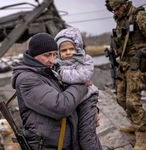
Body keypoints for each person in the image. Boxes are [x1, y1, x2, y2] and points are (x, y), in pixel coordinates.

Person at [12, 32, 89, 149]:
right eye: (47, 55)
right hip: (48, 146)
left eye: (54, 55)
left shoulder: (47, 71)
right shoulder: (27, 79)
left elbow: (69, 95)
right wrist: (82, 83)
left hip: (62, 142)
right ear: (34, 55)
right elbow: (61, 105)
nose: (52, 60)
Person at [105, 0, 146, 149]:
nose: (115, 13)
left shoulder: (140, 16)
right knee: (121, 98)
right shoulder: (121, 21)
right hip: (125, 66)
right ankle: (137, 124)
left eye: (116, 9)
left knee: (132, 102)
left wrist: (142, 55)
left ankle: (143, 135)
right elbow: (122, 44)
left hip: (139, 66)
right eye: (113, 11)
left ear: (124, 4)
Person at [54, 27, 102, 150]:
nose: (68, 52)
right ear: (58, 52)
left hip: (87, 99)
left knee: (87, 135)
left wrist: (61, 73)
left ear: (77, 48)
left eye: (71, 49)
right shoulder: (57, 64)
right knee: (77, 135)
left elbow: (82, 76)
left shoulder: (85, 60)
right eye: (64, 50)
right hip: (73, 101)